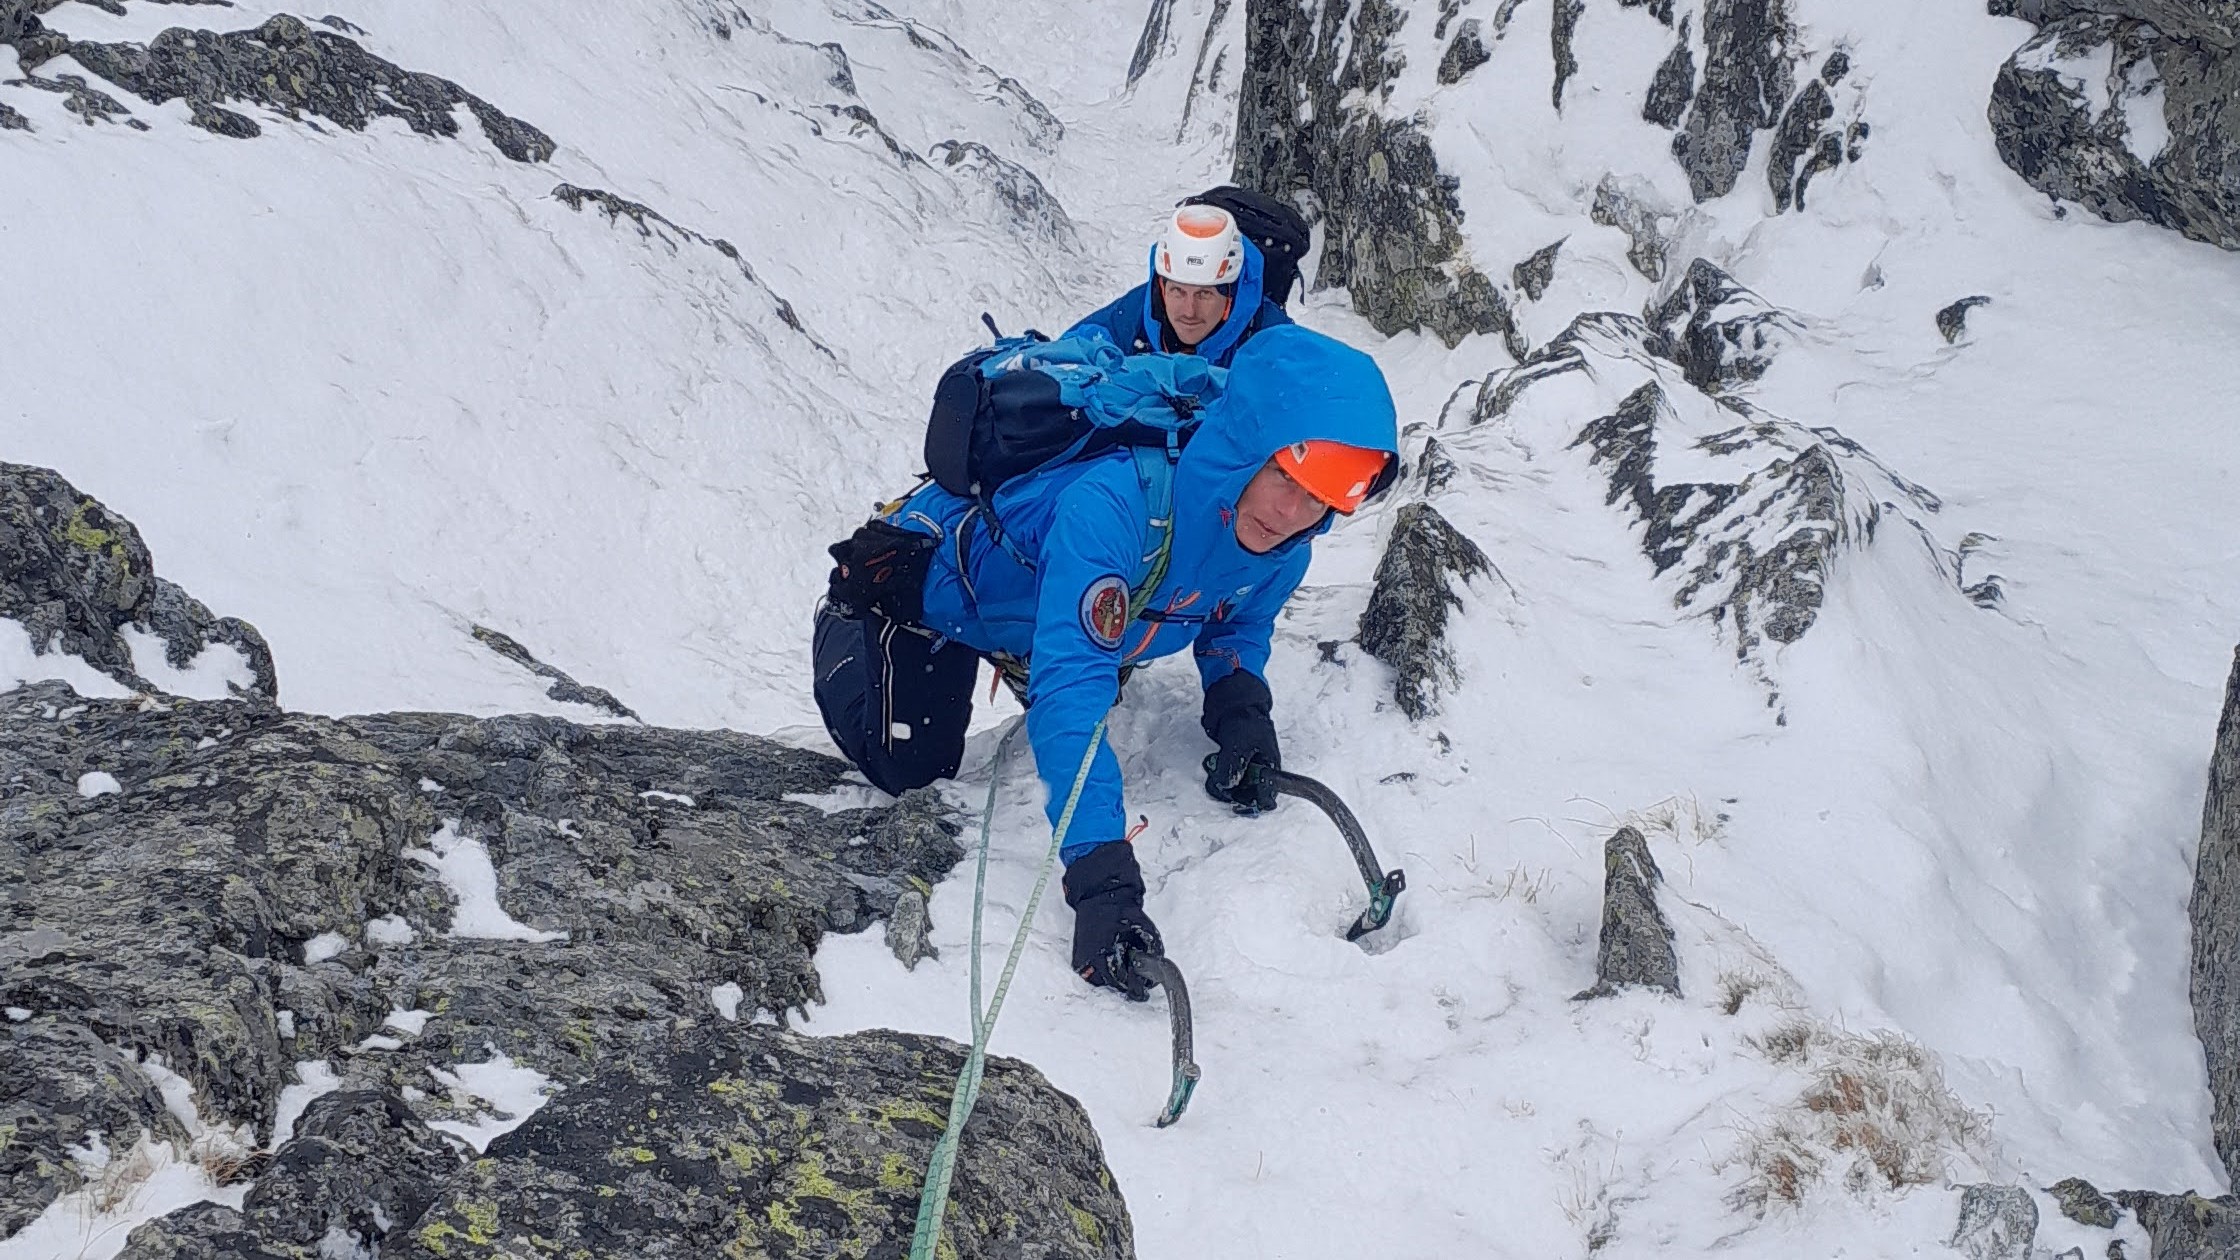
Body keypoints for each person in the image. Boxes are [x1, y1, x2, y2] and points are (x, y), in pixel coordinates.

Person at [811, 324, 1397, 999]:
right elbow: (1071, 693)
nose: (1296, 513)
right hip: (931, 589)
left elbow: (1238, 620)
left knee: (1091, 657)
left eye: (1325, 498)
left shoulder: (1286, 543)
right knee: (910, 767)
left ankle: (1025, 642)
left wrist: (1241, 709)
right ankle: (848, 622)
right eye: (1285, 479)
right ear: (1244, 448)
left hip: (1043, 621)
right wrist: (1101, 880)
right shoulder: (1116, 506)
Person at [1065, 203, 1293, 368]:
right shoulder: (1134, 317)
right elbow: (1070, 352)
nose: (1189, 311)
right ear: (1162, 288)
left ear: (1230, 295)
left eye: (1204, 294)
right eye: (1178, 291)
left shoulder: (1271, 338)